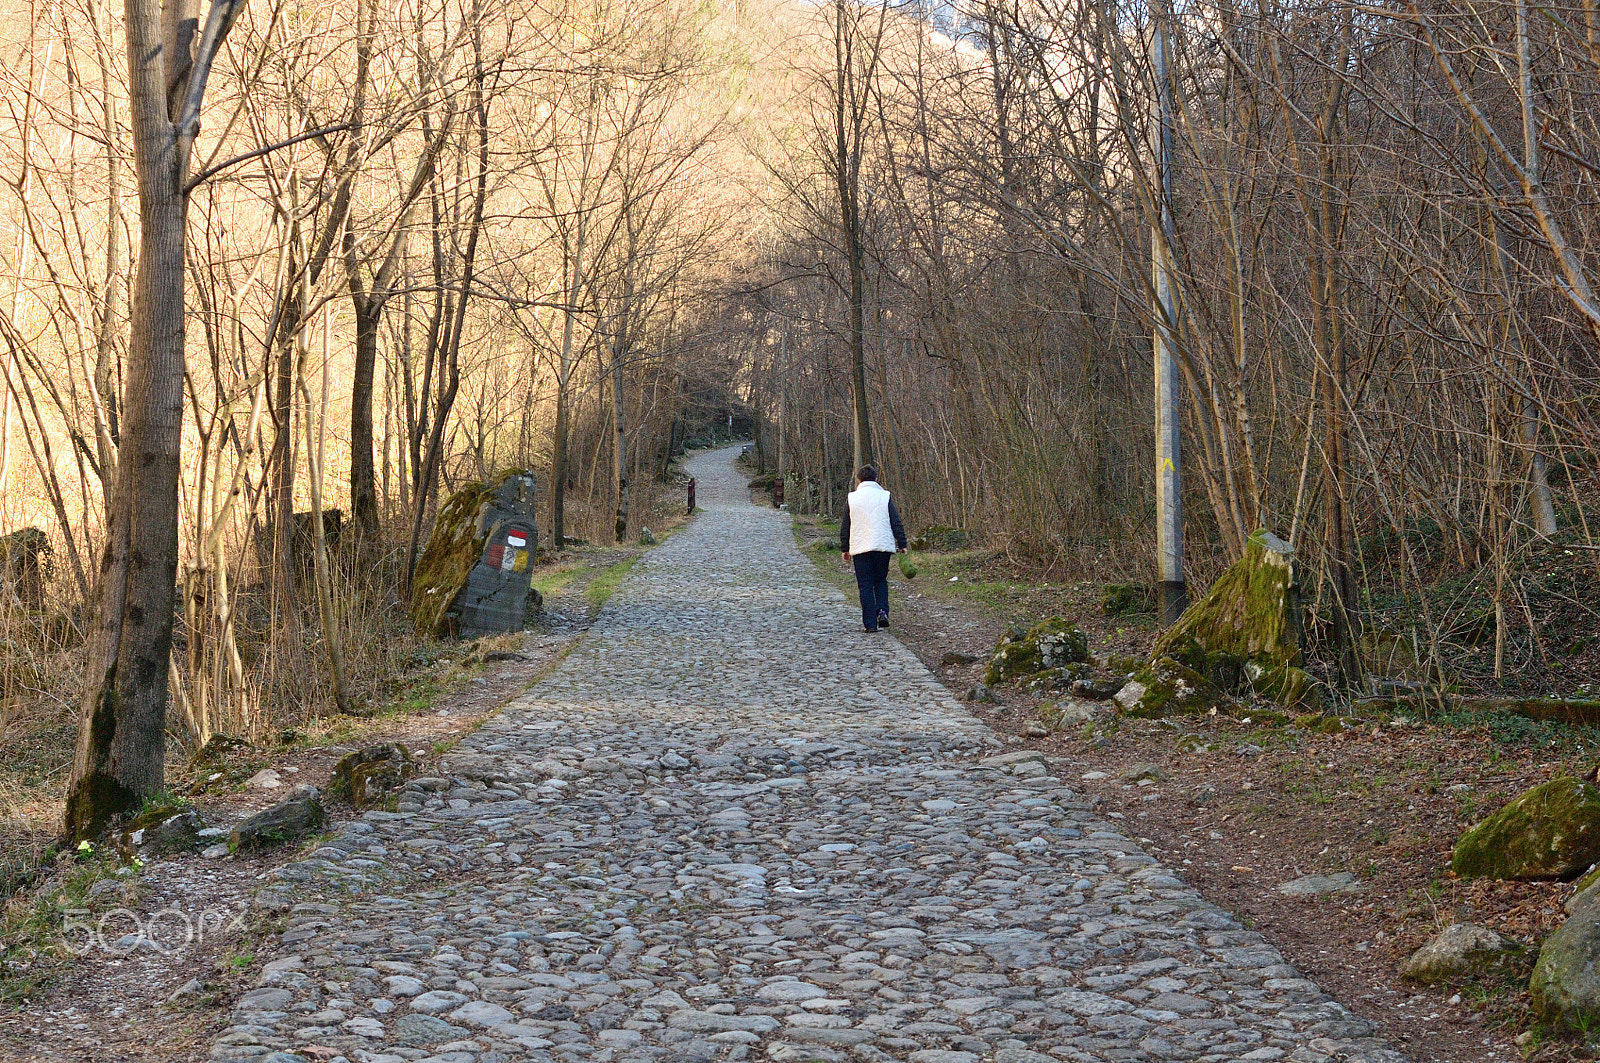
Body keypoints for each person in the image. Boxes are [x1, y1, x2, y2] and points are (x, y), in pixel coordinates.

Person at [838, 465, 907, 633]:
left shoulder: (852, 498)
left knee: (865, 585)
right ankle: (882, 611)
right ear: (876, 479)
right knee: (880, 580)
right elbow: (895, 521)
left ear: (859, 480)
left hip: (860, 547)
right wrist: (902, 543)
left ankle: (870, 623)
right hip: (882, 546)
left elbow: (845, 525)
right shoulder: (884, 497)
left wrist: (845, 548)